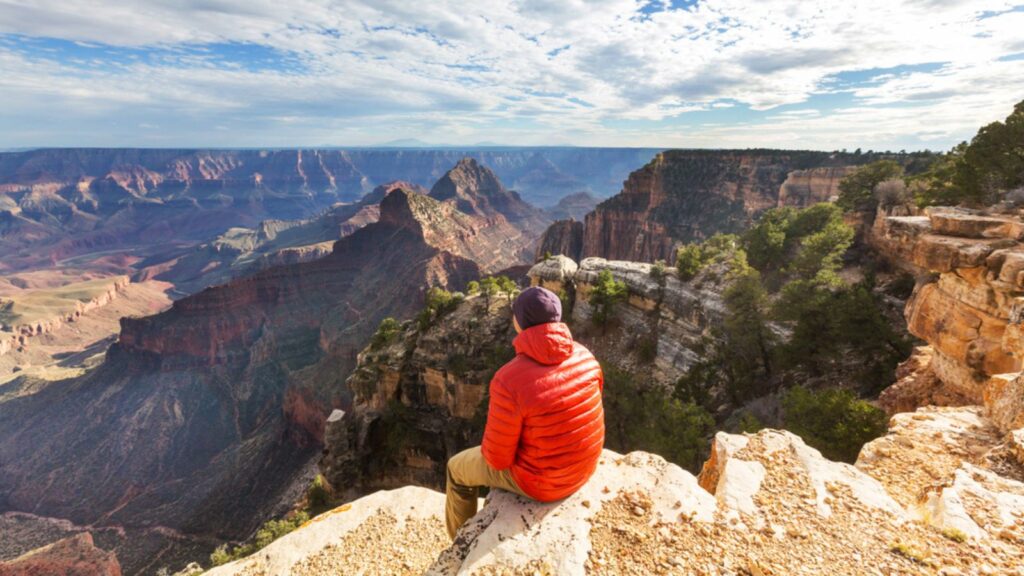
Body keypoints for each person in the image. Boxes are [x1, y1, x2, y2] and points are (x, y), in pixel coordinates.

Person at [444, 285, 605, 539]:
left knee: (456, 469)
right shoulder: (586, 357)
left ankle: (459, 546)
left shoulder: (508, 380)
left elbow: (497, 460)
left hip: (543, 484)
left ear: (519, 323)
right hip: (585, 467)